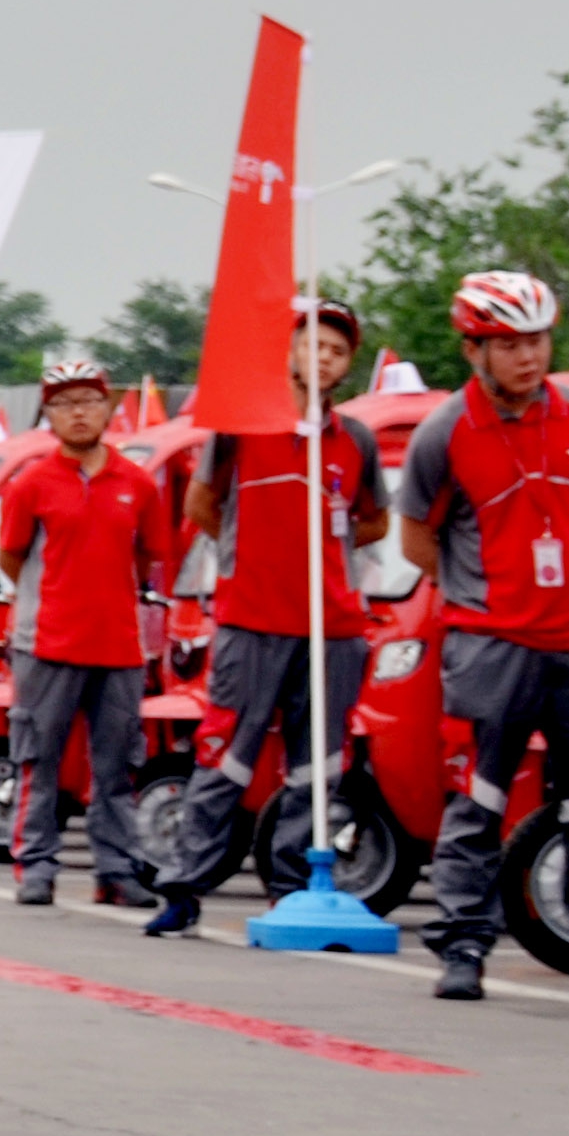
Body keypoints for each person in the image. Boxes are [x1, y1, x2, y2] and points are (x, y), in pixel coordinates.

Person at [396, 270, 569, 1003]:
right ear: (474, 348)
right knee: (476, 798)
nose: (528, 357)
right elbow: (419, 541)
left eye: (537, 340)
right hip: (491, 644)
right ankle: (463, 944)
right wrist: (484, 593)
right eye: (509, 344)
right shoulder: (443, 433)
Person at [148, 297, 387, 935]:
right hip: (251, 620)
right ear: (289, 352)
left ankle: (293, 883)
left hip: (332, 627)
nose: (324, 357)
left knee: (318, 765)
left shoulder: (355, 439)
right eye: (312, 344)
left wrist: (321, 556)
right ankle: (183, 887)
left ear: (347, 366)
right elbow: (202, 504)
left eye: (337, 351)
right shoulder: (241, 426)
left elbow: (375, 522)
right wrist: (249, 552)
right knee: (225, 753)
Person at [0, 352, 174, 908]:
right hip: (46, 644)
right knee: (38, 760)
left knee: (117, 768)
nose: (79, 414)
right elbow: (12, 558)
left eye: (89, 401)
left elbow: (147, 559)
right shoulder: (32, 484)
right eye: (65, 405)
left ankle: (116, 870)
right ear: (49, 414)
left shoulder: (136, 484)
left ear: (108, 407)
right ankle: (36, 867)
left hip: (118, 646)